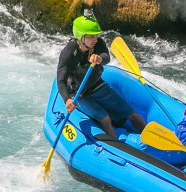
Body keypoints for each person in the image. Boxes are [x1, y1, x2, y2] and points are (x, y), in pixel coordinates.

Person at [57, 10, 145, 139]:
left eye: (96, 35)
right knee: (105, 118)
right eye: (91, 36)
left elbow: (106, 56)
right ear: (81, 37)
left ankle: (153, 143)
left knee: (134, 115)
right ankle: (116, 147)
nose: (95, 39)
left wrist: (99, 58)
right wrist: (67, 100)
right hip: (79, 94)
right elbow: (61, 81)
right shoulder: (68, 53)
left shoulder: (98, 43)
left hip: (98, 86)